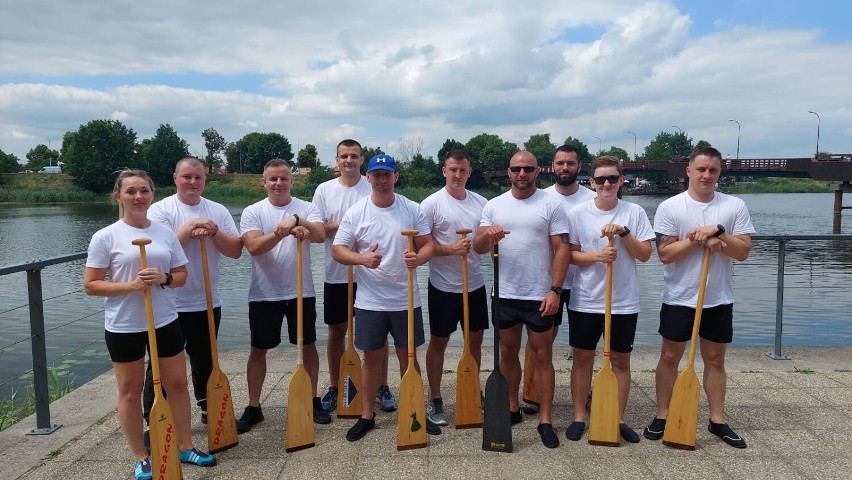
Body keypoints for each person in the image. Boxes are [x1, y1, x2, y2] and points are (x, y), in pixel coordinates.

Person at [83, 169, 216, 480]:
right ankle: (141, 456)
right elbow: (90, 285)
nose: (138, 197)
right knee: (129, 391)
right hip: (124, 324)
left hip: (165, 320)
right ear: (119, 197)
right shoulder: (106, 236)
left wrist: (163, 278)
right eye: (131, 192)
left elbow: (181, 276)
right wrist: (129, 286)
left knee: (178, 386)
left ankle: (184, 446)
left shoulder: (165, 232)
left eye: (144, 190)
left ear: (152, 194)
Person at [643, 146, 755, 448]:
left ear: (719, 173)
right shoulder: (671, 207)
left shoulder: (733, 206)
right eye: (701, 169)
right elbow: (665, 254)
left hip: (718, 298)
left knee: (715, 359)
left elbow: (742, 251)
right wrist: (697, 240)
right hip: (680, 297)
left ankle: (718, 420)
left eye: (713, 170)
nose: (707, 175)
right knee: (669, 356)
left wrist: (719, 232)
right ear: (688, 171)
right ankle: (663, 414)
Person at [332, 153, 435, 442]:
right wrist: (362, 259)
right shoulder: (356, 212)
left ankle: (414, 408)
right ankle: (367, 415)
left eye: (387, 174)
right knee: (372, 359)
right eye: (376, 174)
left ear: (395, 176)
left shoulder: (412, 209)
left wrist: (419, 258)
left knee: (409, 358)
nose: (381, 179)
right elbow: (338, 250)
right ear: (368, 178)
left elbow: (429, 245)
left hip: (406, 300)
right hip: (370, 301)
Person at [473, 150, 571, 449]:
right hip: (505, 294)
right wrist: (488, 236)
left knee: (542, 355)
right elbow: (477, 248)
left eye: (528, 169)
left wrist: (555, 290)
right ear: (509, 171)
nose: (522, 174)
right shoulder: (494, 205)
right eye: (517, 169)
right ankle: (512, 408)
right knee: (507, 353)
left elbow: (563, 249)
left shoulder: (551, 204)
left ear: (537, 171)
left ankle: (545, 419)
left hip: (539, 294)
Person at [142, 157, 242, 430]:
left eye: (198, 178)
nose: (192, 183)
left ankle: (209, 408)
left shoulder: (218, 210)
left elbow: (235, 251)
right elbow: (160, 254)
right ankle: (154, 419)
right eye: (186, 177)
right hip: (169, 303)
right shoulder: (160, 211)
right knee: (161, 365)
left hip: (207, 300)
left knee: (206, 361)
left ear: (205, 180)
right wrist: (189, 227)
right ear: (175, 178)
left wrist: (213, 231)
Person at [563, 156, 654, 443]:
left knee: (620, 360)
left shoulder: (635, 212)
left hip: (623, 301)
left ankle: (617, 417)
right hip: (587, 299)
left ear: (621, 181)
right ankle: (579, 415)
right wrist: (597, 257)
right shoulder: (578, 213)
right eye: (600, 179)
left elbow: (645, 255)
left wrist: (623, 233)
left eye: (612, 179)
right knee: (582, 359)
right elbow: (571, 256)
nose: (606, 184)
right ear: (590, 182)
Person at [236, 159, 330, 433]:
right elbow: (253, 247)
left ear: (292, 181)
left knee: (308, 345)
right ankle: (254, 406)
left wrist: (299, 222)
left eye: (284, 179)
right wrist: (283, 232)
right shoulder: (253, 211)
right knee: (258, 349)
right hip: (264, 293)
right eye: (273, 179)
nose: (279, 183)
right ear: (263, 182)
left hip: (301, 292)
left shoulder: (307, 207)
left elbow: (320, 234)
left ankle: (312, 399)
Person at [313, 140, 396, 414]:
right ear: (337, 160)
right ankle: (335, 386)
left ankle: (382, 386)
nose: (349, 160)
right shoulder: (324, 190)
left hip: (371, 276)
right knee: (336, 332)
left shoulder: (373, 184)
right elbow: (318, 232)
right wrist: (345, 222)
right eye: (344, 156)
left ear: (362, 160)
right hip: (337, 275)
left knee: (378, 337)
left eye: (354, 156)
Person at [519, 144, 596, 416]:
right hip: (547, 283)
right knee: (541, 341)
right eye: (560, 163)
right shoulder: (542, 197)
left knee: (583, 346)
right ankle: (534, 392)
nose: (565, 168)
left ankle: (584, 391)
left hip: (583, 283)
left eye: (571, 163)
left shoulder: (592, 197)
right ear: (552, 167)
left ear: (579, 167)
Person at [420, 149, 488, 426]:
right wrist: (451, 249)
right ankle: (435, 397)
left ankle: (471, 387)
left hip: (474, 285)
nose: (457, 175)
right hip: (443, 287)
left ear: (469, 172)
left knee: (475, 342)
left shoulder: (483, 203)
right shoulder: (430, 205)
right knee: (439, 342)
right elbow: (420, 247)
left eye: (462, 170)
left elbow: (485, 243)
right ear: (444, 171)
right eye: (452, 170)